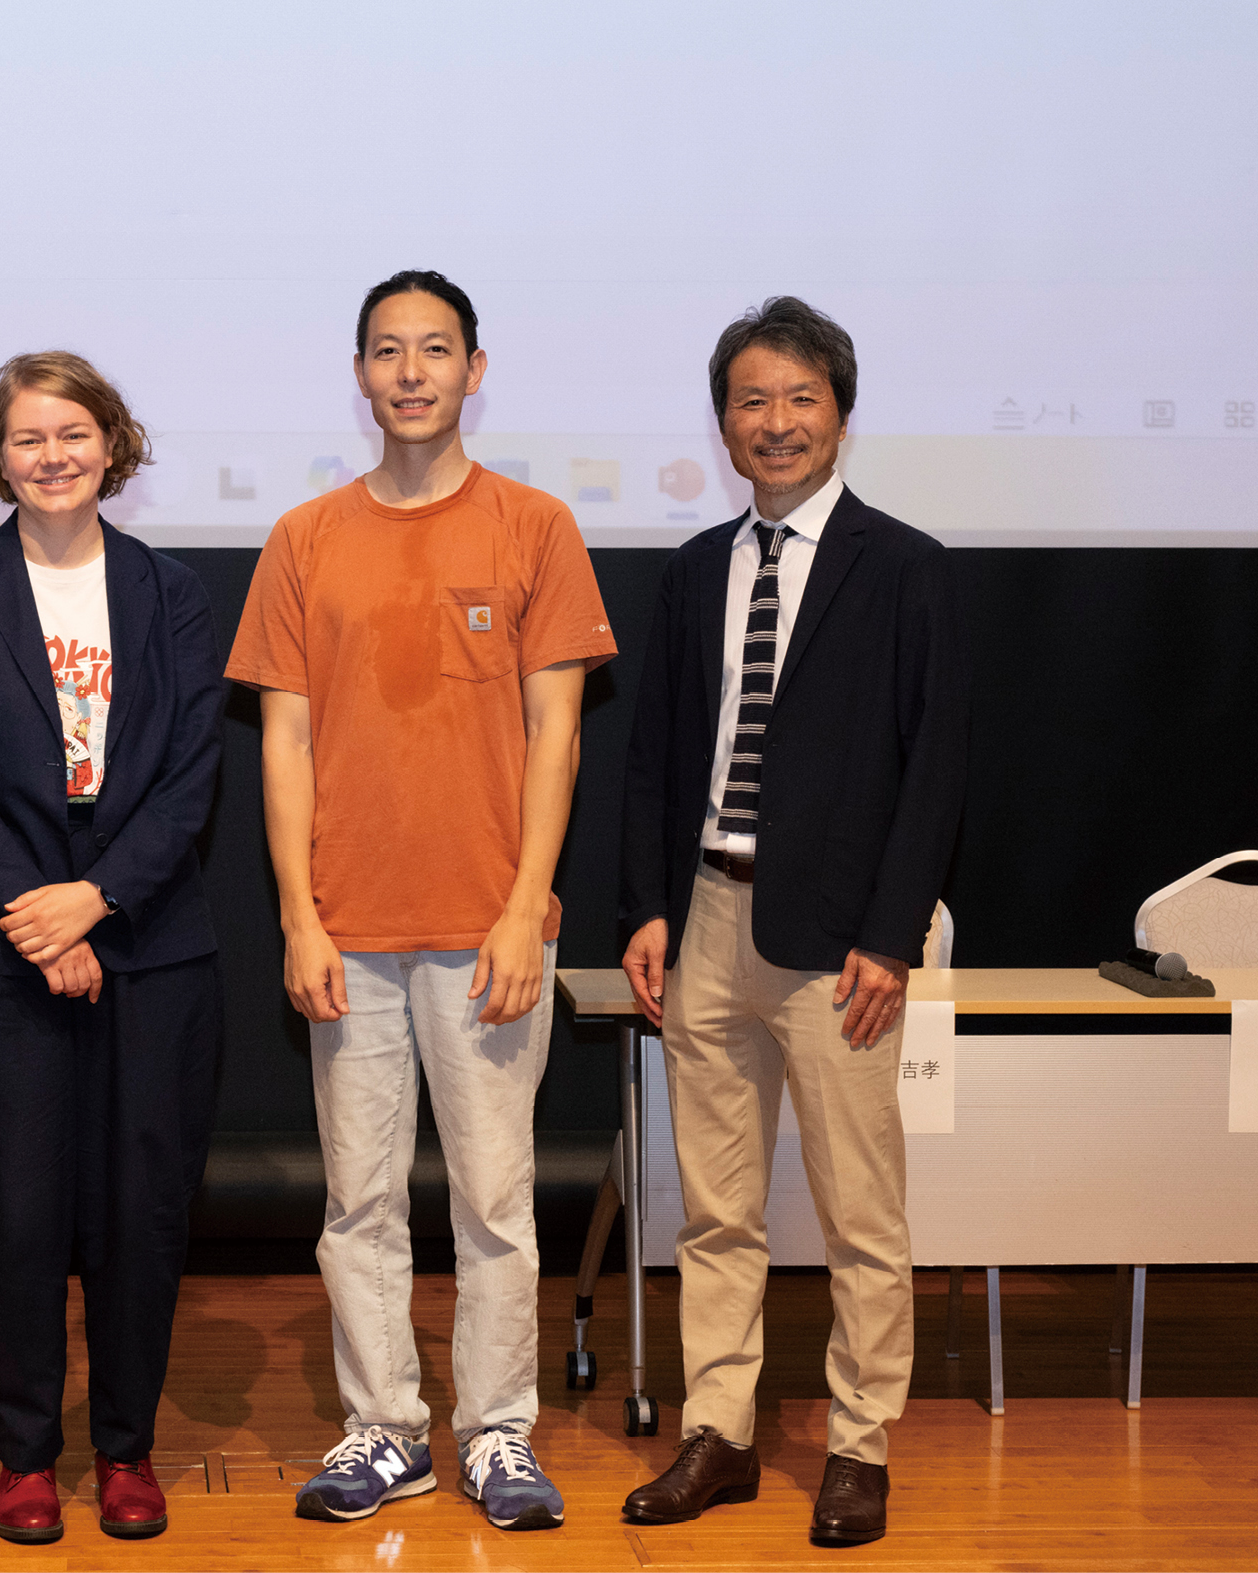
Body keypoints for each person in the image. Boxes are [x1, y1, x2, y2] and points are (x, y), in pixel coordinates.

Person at [227, 271, 617, 1532]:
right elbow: (281, 742)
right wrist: (297, 914)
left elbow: (556, 733)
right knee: (361, 1201)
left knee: (497, 1203)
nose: (410, 372)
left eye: (434, 350)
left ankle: (497, 1435)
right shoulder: (303, 538)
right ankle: (386, 1427)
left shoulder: (535, 526)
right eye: (387, 351)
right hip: (348, 929)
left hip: (487, 929)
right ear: (359, 373)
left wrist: (524, 905)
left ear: (473, 368)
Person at [614, 297, 968, 1546]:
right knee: (714, 1206)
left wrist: (889, 933)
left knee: (859, 1212)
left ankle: (860, 1445)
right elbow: (655, 752)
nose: (775, 423)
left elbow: (936, 770)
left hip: (839, 944)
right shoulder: (698, 566)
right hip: (705, 916)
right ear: (723, 422)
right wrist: (649, 905)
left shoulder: (904, 567)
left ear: (839, 414)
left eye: (798, 399)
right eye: (751, 401)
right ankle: (720, 1429)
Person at [0, 352, 225, 1546]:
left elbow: (193, 777)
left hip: (146, 942)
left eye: (73, 432)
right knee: (11, 1211)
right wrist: (37, 917)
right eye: (27, 437)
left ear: (110, 444)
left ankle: (127, 1450)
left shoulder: (169, 593)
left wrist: (93, 900)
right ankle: (27, 1456)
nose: (52, 455)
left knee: (142, 1212)